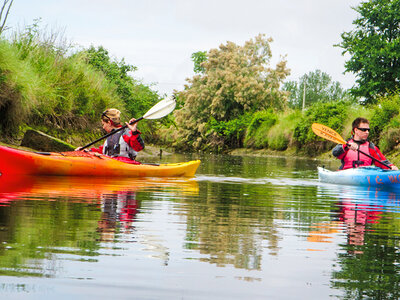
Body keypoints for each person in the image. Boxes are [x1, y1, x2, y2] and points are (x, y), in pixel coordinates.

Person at [77, 109, 144, 164]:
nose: (103, 127)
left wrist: (134, 132)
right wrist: (86, 151)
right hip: (110, 163)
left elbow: (139, 147)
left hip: (125, 164)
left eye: (103, 124)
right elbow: (101, 151)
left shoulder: (126, 133)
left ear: (109, 122)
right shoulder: (110, 137)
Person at [332, 117, 398, 170]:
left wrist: (391, 166)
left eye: (368, 130)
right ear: (356, 130)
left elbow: (382, 161)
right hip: (346, 175)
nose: (367, 132)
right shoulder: (346, 143)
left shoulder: (371, 147)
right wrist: (346, 147)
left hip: (365, 175)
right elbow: (335, 153)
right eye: (364, 130)